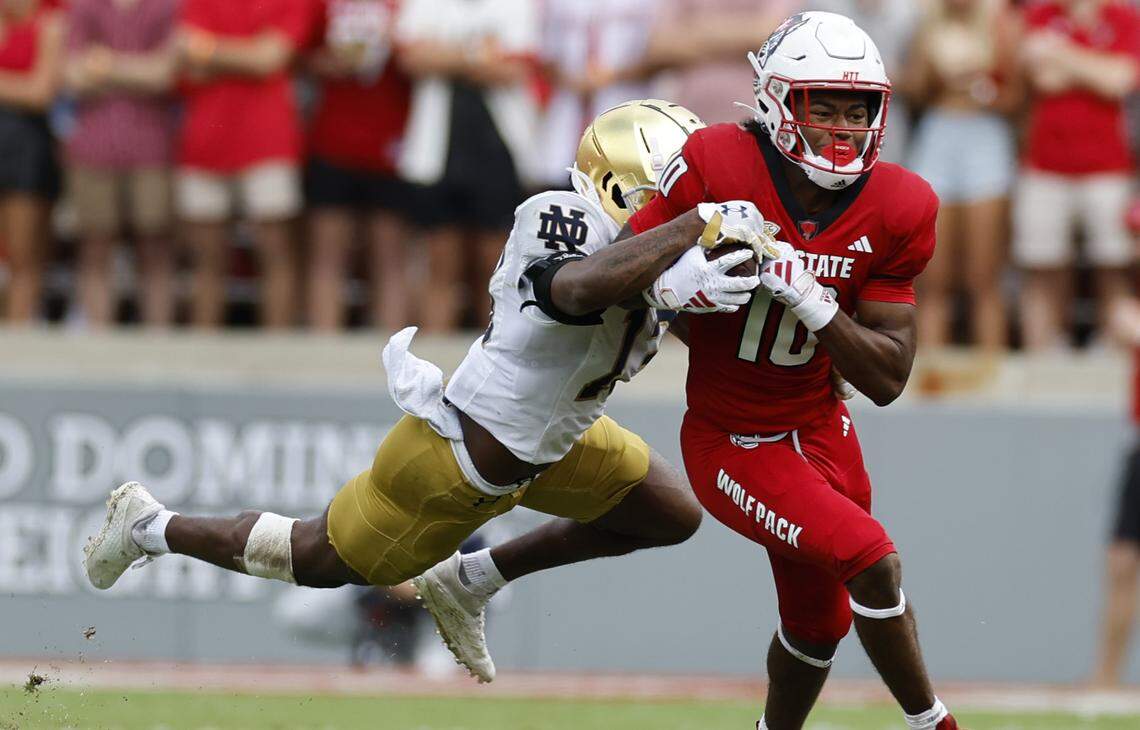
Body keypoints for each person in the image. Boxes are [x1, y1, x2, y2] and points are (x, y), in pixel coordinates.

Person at [83, 100, 769, 682]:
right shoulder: (561, 212)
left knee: (669, 512)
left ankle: (471, 579)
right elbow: (574, 290)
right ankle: (148, 526)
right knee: (311, 556)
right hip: (460, 455)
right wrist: (684, 240)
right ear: (629, 186)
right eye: (679, 192)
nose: (693, 207)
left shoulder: (657, 250)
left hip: (558, 439)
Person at [627, 13, 963, 730]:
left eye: (859, 108)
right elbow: (624, 263)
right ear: (778, 102)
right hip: (732, 441)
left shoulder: (900, 204)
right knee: (873, 560)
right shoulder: (719, 161)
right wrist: (673, 289)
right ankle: (933, 724)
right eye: (824, 106)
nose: (845, 127)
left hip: (820, 425)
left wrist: (815, 304)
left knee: (819, 624)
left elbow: (887, 378)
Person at [394, 0, 538, 332]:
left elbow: (513, 69)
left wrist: (447, 56)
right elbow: (412, 58)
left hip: (497, 150)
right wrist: (479, 54)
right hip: (436, 152)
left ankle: (494, 357)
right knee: (440, 262)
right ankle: (431, 365)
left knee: (495, 266)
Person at [174, 0, 314, 328]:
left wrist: (207, 51)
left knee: (274, 251)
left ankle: (277, 353)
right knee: (205, 258)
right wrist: (246, 55)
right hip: (206, 143)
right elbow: (184, 59)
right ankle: (202, 354)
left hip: (268, 141)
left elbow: (269, 59)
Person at [1013, 0, 1140, 351]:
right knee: (1041, 266)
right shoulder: (1040, 13)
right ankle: (1040, 357)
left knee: (1112, 264)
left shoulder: (1124, 16)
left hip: (1108, 166)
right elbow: (1040, 77)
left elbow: (1119, 81)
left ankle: (1114, 355)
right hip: (1044, 164)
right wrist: (1094, 67)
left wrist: (1060, 55)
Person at [905, 0, 1019, 351]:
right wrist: (936, 72)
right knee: (931, 280)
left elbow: (1017, 96)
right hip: (938, 135)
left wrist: (978, 87)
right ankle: (931, 379)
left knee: (984, 279)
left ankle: (993, 385)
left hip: (985, 137)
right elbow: (915, 90)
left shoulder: (1003, 23)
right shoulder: (927, 22)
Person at [64, 0, 179, 329]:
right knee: (95, 246)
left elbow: (164, 75)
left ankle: (159, 342)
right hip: (94, 148)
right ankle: (100, 342)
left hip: (152, 147)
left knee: (155, 246)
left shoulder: (166, 7)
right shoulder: (85, 7)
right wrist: (138, 70)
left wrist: (105, 65)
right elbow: (71, 75)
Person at [304, 0, 414, 332]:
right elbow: (299, 54)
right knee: (328, 253)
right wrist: (328, 63)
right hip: (333, 139)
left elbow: (420, 57)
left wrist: (395, 48)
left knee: (390, 255)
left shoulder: (406, 5)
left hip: (393, 142)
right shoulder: (323, 4)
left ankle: (393, 357)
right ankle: (324, 348)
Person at [0, 0, 63, 324]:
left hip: (25, 150)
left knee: (23, 255)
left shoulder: (49, 25)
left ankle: (17, 331)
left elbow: (40, 93)